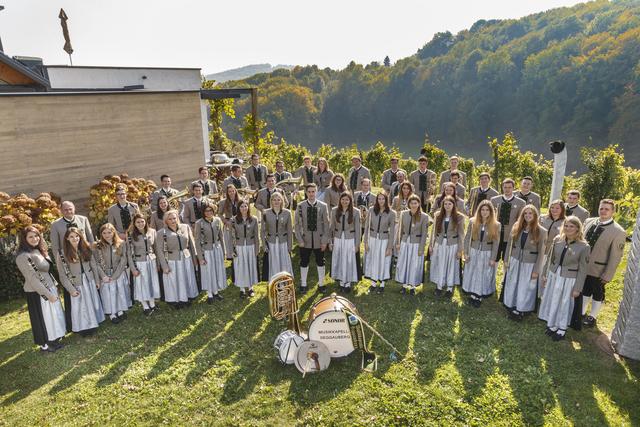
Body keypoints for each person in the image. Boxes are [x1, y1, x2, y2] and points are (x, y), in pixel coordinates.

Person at [15, 226, 66, 352]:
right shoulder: (23, 256)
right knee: (43, 319)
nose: (34, 239)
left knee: (52, 316)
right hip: (38, 292)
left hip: (49, 286)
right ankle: (46, 344)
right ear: (24, 239)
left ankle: (54, 338)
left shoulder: (38, 250)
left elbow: (47, 271)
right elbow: (33, 279)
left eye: (36, 235)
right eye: (30, 237)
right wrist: (48, 294)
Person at [539, 216, 590, 341]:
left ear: (578, 228)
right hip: (554, 274)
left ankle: (561, 328)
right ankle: (552, 324)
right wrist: (545, 274)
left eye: (571, 226)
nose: (568, 228)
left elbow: (583, 269)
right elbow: (550, 258)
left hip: (569, 279)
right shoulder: (558, 239)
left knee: (564, 302)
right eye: (566, 226)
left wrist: (577, 288)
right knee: (553, 299)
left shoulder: (584, 246)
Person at [581, 199, 627, 328]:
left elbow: (616, 256)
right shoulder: (589, 221)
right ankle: (581, 313)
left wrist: (608, 274)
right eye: (601, 208)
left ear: (613, 212)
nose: (603, 211)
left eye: (607, 209)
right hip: (583, 265)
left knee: (597, 292)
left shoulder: (618, 231)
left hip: (599, 269)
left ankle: (592, 316)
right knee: (584, 289)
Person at [502, 205, 547, 320]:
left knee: (525, 286)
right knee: (513, 283)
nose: (527, 215)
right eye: (525, 213)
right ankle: (511, 304)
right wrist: (506, 259)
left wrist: (536, 270)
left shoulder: (541, 231)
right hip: (515, 260)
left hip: (529, 264)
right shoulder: (517, 226)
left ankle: (521, 309)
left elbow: (541, 253)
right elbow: (510, 245)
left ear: (535, 215)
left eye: (530, 213)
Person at [58, 227, 105, 336]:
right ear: (67, 238)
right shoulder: (62, 253)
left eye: (77, 236)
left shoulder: (86, 247)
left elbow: (93, 265)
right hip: (77, 283)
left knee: (91, 302)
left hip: (89, 279)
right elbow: (62, 275)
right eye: (71, 237)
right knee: (80, 306)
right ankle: (83, 328)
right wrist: (71, 289)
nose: (75, 239)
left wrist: (97, 280)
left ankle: (93, 324)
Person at [155, 210, 199, 308]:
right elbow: (159, 251)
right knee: (175, 280)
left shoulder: (185, 227)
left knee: (187, 277)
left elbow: (192, 245)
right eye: (170, 219)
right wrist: (164, 266)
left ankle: (188, 297)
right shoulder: (161, 233)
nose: (173, 220)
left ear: (177, 218)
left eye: (174, 218)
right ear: (166, 221)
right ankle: (176, 300)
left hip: (186, 257)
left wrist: (195, 259)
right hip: (172, 260)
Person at [462, 200, 500, 308]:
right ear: (479, 211)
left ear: (491, 211)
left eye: (487, 210)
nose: (484, 212)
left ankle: (479, 295)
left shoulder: (496, 225)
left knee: (482, 273)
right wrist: (466, 252)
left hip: (486, 252)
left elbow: (496, 243)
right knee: (473, 271)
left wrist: (493, 258)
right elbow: (467, 238)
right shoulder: (473, 221)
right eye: (482, 210)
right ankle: (472, 293)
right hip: (474, 251)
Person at [295, 184, 330, 293]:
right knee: (304, 261)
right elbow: (296, 225)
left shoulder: (323, 206)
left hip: (319, 240)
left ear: (316, 192)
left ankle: (321, 284)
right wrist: (299, 240)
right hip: (305, 241)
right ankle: (303, 284)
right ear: (306, 192)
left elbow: (326, 225)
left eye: (313, 191)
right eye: (309, 192)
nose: (311, 194)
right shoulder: (300, 206)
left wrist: (324, 241)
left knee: (320, 261)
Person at [94, 223, 131, 324]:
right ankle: (112, 313)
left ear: (113, 232)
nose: (107, 235)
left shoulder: (121, 243)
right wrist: (103, 276)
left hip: (118, 273)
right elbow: (96, 263)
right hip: (105, 274)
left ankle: (119, 310)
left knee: (119, 291)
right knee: (108, 294)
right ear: (101, 234)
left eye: (109, 232)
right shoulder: (98, 246)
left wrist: (116, 275)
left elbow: (123, 260)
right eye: (104, 233)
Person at [429, 196, 466, 298]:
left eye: (450, 204)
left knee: (451, 265)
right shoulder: (438, 215)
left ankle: (449, 288)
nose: (447, 206)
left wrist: (460, 250)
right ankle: (439, 286)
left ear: (453, 205)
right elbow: (433, 232)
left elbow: (461, 235)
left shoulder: (459, 217)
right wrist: (431, 245)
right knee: (440, 263)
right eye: (445, 204)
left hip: (452, 244)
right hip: (440, 243)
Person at [395, 195, 431, 296]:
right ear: (409, 204)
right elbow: (400, 230)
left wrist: (421, 248)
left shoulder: (424, 216)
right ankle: (404, 285)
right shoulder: (404, 214)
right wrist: (398, 242)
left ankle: (412, 286)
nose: (414, 205)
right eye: (412, 203)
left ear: (419, 204)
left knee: (414, 264)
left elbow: (424, 233)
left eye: (415, 203)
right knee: (404, 263)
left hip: (416, 243)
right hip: (405, 242)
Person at [127, 213, 160, 315]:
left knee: (151, 283)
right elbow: (129, 254)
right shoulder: (131, 235)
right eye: (138, 222)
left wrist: (158, 263)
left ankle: (152, 304)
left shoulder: (152, 231)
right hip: (140, 263)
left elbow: (156, 248)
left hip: (151, 260)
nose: (140, 224)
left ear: (146, 221)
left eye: (142, 221)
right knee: (142, 284)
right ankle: (145, 306)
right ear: (134, 223)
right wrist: (133, 269)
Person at [194, 203, 227, 304]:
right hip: (206, 250)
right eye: (206, 211)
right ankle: (210, 294)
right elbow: (197, 241)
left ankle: (216, 291)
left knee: (216, 270)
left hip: (217, 248)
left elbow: (221, 236)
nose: (209, 213)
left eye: (210, 210)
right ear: (203, 212)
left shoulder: (217, 220)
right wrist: (200, 257)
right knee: (208, 271)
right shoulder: (199, 223)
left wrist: (224, 251)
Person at [329, 192, 361, 293]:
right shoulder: (334, 210)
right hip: (338, 238)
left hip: (349, 239)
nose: (345, 201)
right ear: (340, 200)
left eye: (347, 200)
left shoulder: (356, 212)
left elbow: (358, 229)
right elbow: (331, 228)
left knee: (348, 259)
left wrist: (357, 245)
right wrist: (330, 241)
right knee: (339, 258)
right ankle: (341, 281)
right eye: (343, 199)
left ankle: (347, 283)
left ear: (350, 201)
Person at [363, 193, 395, 294]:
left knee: (383, 260)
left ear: (386, 200)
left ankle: (382, 284)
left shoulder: (391, 213)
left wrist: (390, 247)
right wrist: (366, 242)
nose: (381, 201)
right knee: (373, 259)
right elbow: (367, 227)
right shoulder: (372, 210)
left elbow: (393, 231)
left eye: (383, 199)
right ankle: (373, 283)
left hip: (384, 240)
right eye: (379, 199)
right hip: (372, 239)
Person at [491, 179, 526, 262]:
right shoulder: (494, 200)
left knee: (507, 260)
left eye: (509, 187)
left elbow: (520, 220)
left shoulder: (521, 202)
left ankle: (506, 275)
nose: (507, 189)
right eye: (505, 187)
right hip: (496, 233)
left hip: (510, 235)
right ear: (502, 188)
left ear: (513, 188)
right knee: (494, 258)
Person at [261, 192, 293, 281]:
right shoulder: (266, 213)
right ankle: (274, 282)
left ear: (282, 201)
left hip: (283, 242)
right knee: (274, 263)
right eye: (274, 200)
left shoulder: (287, 213)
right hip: (272, 242)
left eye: (278, 200)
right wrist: (264, 245)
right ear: (271, 201)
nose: (276, 202)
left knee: (284, 262)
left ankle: (286, 282)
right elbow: (263, 231)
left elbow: (290, 231)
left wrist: (290, 245)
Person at [231, 200, 260, 299]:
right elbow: (232, 236)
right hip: (239, 247)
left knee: (250, 265)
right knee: (241, 267)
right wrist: (233, 249)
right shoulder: (234, 220)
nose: (244, 208)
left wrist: (257, 248)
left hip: (250, 246)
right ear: (238, 208)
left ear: (248, 207)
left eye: (245, 206)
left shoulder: (254, 219)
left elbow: (257, 235)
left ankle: (250, 287)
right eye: (242, 207)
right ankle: (242, 289)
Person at [218, 185, 241, 260]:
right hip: (228, 224)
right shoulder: (223, 202)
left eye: (233, 191)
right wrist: (225, 221)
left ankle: (240, 254)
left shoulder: (240, 200)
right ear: (227, 193)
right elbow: (220, 214)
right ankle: (231, 256)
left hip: (239, 223)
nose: (231, 193)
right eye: (229, 191)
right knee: (229, 241)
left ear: (235, 191)